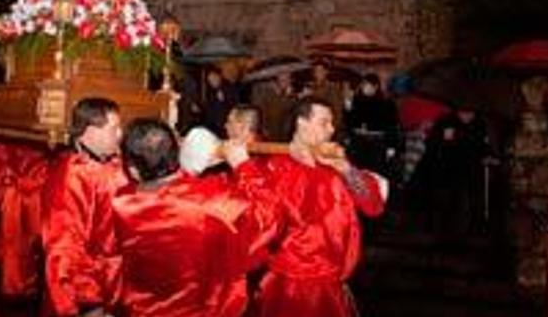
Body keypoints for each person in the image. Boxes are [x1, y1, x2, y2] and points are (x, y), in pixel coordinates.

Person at [110, 119, 281, 317]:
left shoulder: (122, 203)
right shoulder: (211, 202)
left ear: (133, 170)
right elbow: (268, 217)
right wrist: (243, 165)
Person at [249, 96, 386, 317]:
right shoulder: (276, 166)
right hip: (291, 285)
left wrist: (345, 168)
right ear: (301, 123)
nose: (331, 130)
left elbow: (373, 206)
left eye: (332, 123)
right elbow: (266, 226)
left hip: (332, 283)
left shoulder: (335, 166)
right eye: (324, 122)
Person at [42, 97, 126, 316]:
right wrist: (84, 302)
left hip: (114, 282)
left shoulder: (105, 162)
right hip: (90, 288)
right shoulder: (71, 175)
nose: (120, 135)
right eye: (114, 128)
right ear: (90, 131)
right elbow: (64, 245)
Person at [250, 72, 295, 141]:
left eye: (289, 78)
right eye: (284, 79)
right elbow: (275, 115)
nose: (288, 82)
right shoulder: (265, 92)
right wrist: (286, 98)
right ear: (274, 79)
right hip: (268, 137)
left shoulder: (284, 93)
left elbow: (288, 116)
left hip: (280, 137)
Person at [201, 67, 238, 138]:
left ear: (219, 76)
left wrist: (224, 100)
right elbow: (210, 107)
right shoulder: (211, 91)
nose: (212, 82)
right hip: (213, 126)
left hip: (224, 126)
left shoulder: (229, 88)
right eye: (210, 81)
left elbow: (234, 106)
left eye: (213, 79)